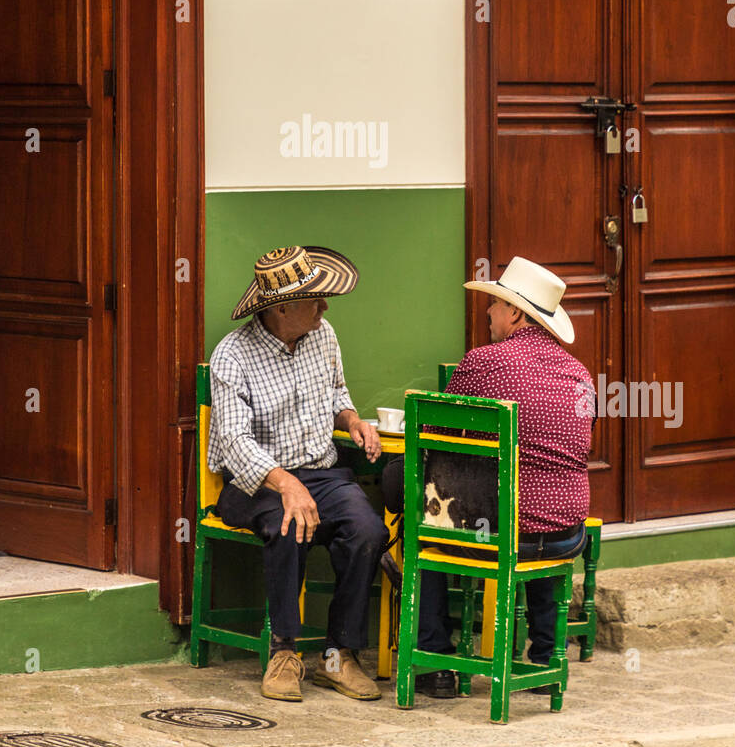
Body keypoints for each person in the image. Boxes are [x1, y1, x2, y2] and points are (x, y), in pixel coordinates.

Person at [382, 256, 596, 698]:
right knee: (535, 506)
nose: (487, 312)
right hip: (565, 535)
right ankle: (543, 658)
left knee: (420, 515)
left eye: (495, 304)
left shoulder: (483, 364)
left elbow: (434, 440)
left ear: (516, 313)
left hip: (500, 537)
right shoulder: (580, 374)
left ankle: (434, 662)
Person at [208, 245, 388, 704]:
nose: (325, 306)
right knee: (289, 525)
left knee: (368, 529)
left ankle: (338, 656)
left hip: (323, 473)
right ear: (282, 307)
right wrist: (286, 484)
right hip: (255, 482)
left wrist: (352, 420)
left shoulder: (322, 335)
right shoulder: (233, 355)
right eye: (315, 299)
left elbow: (336, 393)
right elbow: (233, 441)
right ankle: (284, 652)